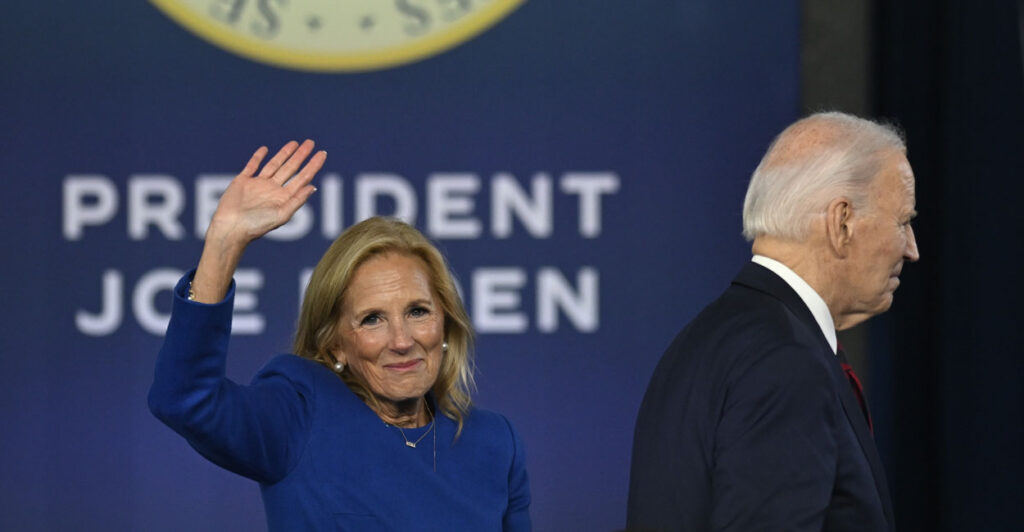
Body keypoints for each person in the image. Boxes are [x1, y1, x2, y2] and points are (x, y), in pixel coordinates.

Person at [148, 140, 531, 531]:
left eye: (418, 312)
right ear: (335, 345)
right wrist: (224, 243)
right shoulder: (300, 417)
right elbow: (183, 398)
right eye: (372, 320)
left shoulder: (495, 443)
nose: (401, 340)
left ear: (445, 323)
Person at [627, 112, 919, 531]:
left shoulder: (704, 342)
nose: (912, 249)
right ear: (842, 223)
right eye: (903, 221)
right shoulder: (786, 363)